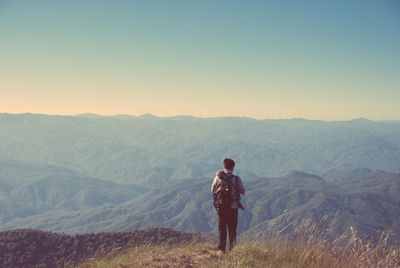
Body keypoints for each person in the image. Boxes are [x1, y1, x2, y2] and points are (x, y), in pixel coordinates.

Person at [211, 158, 245, 253]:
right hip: (233, 207)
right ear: (233, 167)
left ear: (224, 166)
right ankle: (232, 250)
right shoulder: (236, 178)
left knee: (222, 228)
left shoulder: (217, 177)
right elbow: (243, 192)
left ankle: (221, 250)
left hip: (221, 207)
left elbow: (212, 190)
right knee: (232, 229)